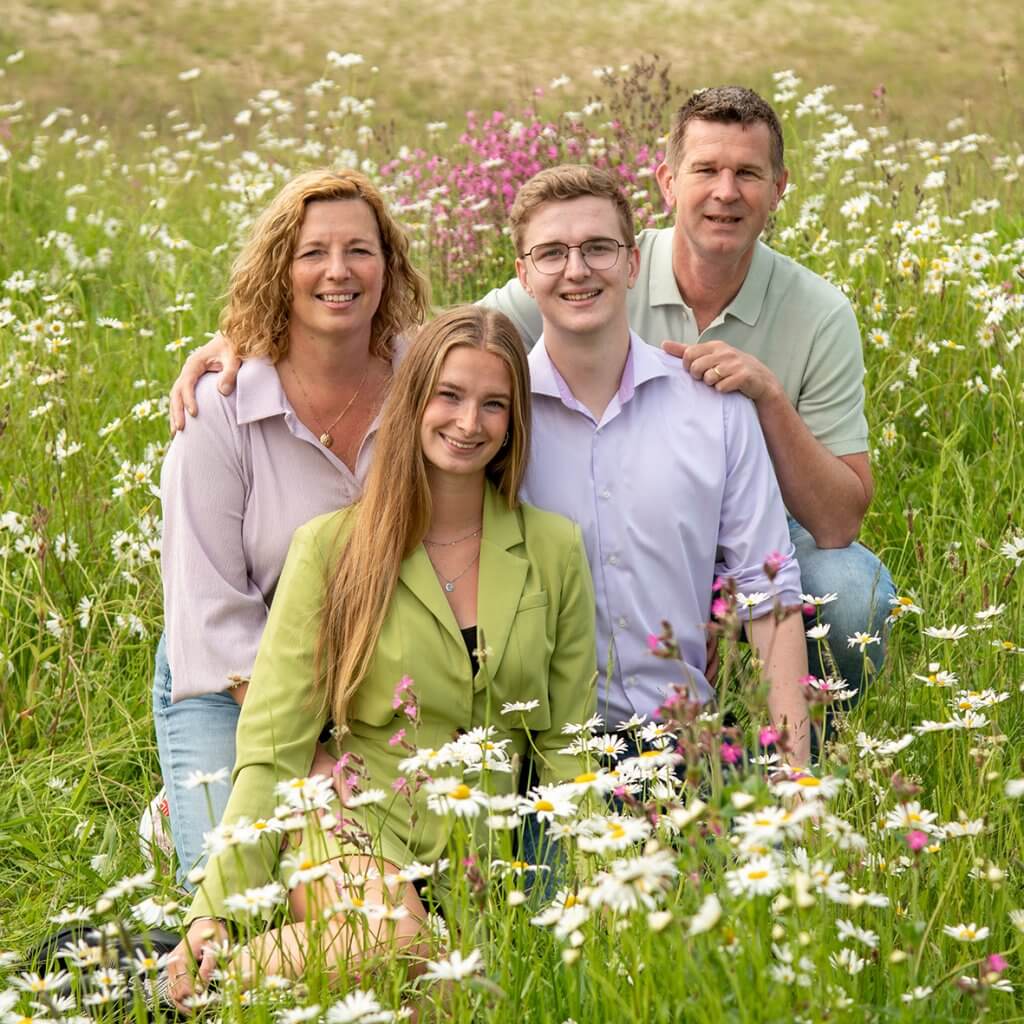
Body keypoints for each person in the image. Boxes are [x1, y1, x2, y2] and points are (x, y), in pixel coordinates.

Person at [169, 87, 894, 700]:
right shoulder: (587, 269)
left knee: (848, 588)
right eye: (706, 169)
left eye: (748, 173)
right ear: (668, 185)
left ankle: (798, 724)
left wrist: (767, 400)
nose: (726, 192)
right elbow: (441, 350)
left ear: (780, 188)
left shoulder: (817, 310)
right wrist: (263, 338)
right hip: (617, 546)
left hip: (739, 532)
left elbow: (836, 521)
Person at [165, 306, 597, 1008]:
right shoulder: (332, 548)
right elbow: (275, 743)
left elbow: (564, 742)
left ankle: (213, 986)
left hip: (479, 851)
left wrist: (603, 876)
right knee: (406, 946)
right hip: (354, 826)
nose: (469, 422)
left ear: (516, 421)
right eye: (450, 396)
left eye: (495, 404)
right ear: (414, 400)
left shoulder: (553, 548)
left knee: (450, 997)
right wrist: (213, 906)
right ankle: (193, 974)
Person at [156, 168, 429, 886]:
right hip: (234, 680)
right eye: (312, 252)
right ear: (280, 269)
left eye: (359, 251)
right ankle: (180, 812)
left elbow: (542, 316)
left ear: (388, 265)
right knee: (240, 895)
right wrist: (309, 758)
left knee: (400, 883)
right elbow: (213, 619)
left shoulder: (428, 383)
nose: (337, 271)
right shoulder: (218, 411)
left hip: (375, 673)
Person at [510, 164, 811, 763]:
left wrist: (794, 781)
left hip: (682, 744)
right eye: (551, 253)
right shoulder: (497, 417)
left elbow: (768, 592)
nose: (577, 269)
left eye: (598, 248)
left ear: (632, 263)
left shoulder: (715, 409)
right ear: (523, 274)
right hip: (543, 756)